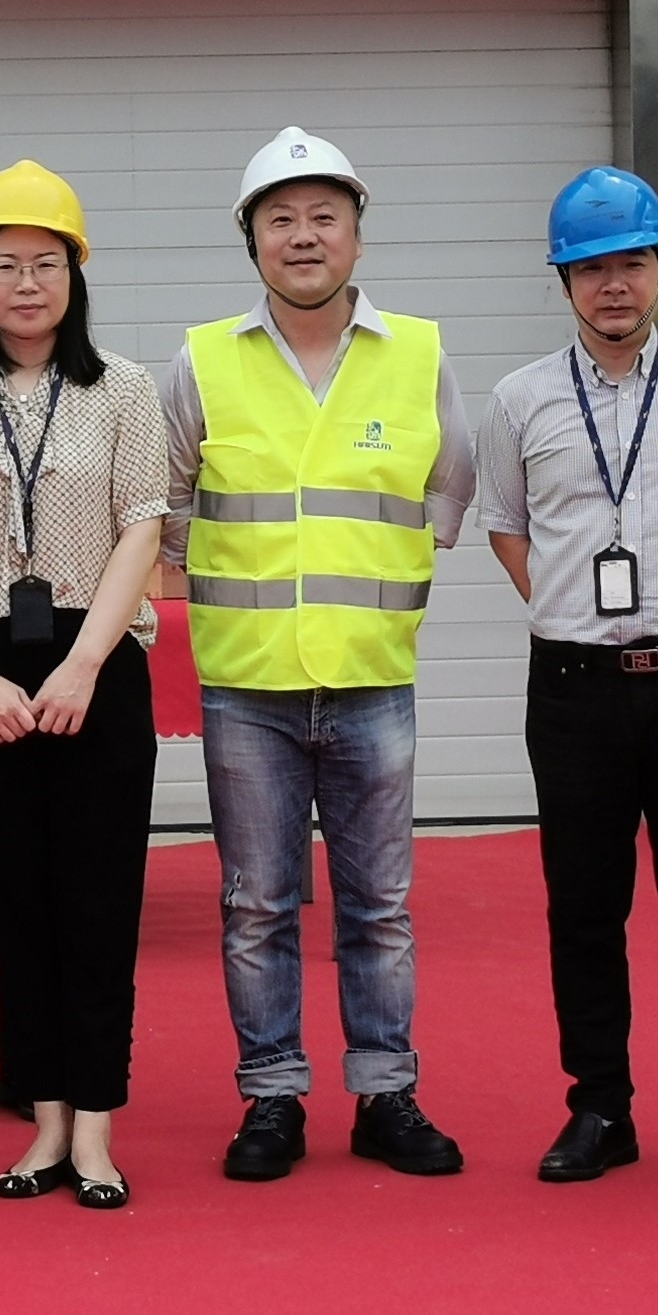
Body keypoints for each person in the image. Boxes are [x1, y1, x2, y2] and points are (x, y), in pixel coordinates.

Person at [160, 126, 474, 1183]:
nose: (303, 236)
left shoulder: (420, 354)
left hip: (372, 680)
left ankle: (386, 1093)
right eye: (280, 219)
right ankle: (272, 1096)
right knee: (256, 906)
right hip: (245, 687)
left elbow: (448, 492)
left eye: (323, 217)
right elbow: (168, 510)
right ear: (250, 240)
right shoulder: (202, 360)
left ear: (357, 235)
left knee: (378, 906)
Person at [475, 167, 658, 1189]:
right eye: (592, 268)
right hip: (574, 688)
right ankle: (599, 1105)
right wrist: (574, 611)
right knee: (584, 905)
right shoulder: (519, 400)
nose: (614, 286)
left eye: (633, 264)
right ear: (563, 279)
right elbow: (506, 527)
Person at [0, 162, 168, 1208]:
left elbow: (141, 528)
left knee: (99, 905)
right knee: (18, 906)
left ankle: (95, 1126)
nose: (25, 283)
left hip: (96, 664)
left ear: (76, 275)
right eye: (5, 264)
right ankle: (45, 1121)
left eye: (46, 264)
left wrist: (82, 665)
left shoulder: (127, 390)